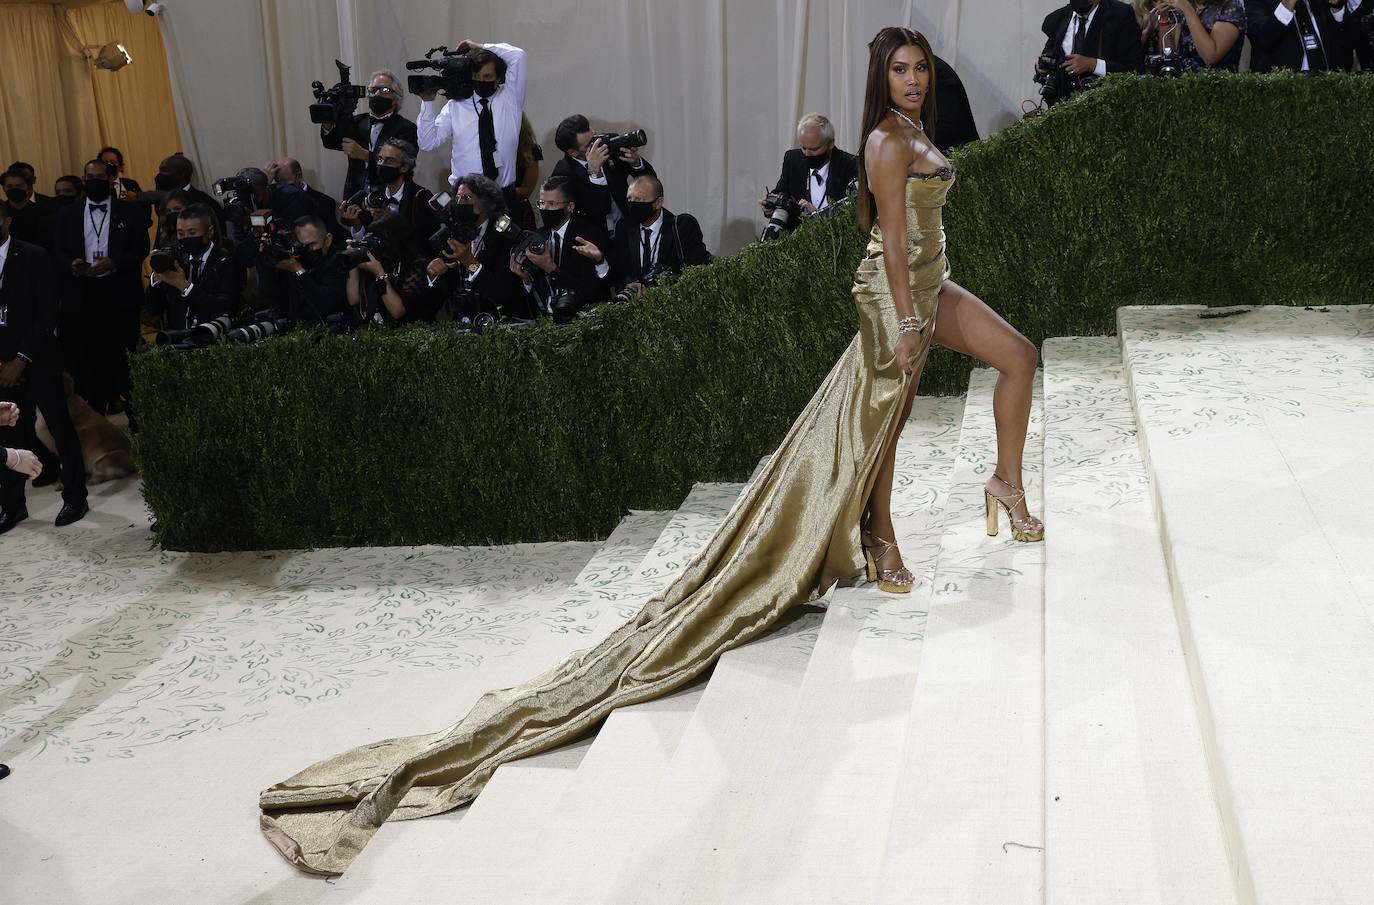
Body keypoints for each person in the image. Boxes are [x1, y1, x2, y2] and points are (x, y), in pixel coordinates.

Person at [258, 25, 1043, 877]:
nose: (915, 80)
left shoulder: (916, 131)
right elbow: (890, 237)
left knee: (1014, 358)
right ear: (879, 78)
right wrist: (910, 313)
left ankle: (1003, 480)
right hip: (901, 292)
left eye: (921, 68)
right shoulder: (888, 141)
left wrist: (924, 292)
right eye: (901, 69)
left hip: (930, 280)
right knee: (881, 417)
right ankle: (878, 534)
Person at [0, 207, 87, 532]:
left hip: (37, 359)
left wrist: (20, 359)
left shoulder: (34, 255)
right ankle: (12, 506)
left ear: (7, 220)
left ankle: (76, 497)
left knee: (60, 427)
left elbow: (48, 312)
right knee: (7, 435)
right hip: (1, 366)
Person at [52, 159, 151, 416]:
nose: (93, 180)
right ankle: (94, 411)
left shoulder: (131, 212)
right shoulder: (67, 213)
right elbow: (58, 251)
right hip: (83, 294)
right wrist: (71, 263)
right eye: (89, 176)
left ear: (110, 179)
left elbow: (140, 249)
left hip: (119, 292)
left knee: (124, 356)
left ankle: (135, 414)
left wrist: (114, 262)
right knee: (88, 357)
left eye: (99, 176)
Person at [417, 39, 528, 192]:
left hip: (502, 192)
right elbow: (427, 143)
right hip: (464, 194)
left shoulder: (511, 98)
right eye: (477, 77)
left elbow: (518, 56)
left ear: (498, 78)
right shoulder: (455, 105)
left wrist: (480, 47)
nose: (481, 81)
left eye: (487, 77)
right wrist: (428, 103)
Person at [425, 173, 533, 322]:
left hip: (499, 323)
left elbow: (503, 293)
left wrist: (470, 262)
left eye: (466, 198)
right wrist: (433, 275)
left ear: (485, 203)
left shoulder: (504, 237)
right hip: (461, 323)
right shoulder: (453, 234)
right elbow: (443, 292)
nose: (459, 203)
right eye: (457, 198)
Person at [520, 175, 612, 321]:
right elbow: (533, 293)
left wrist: (551, 268)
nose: (545, 209)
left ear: (570, 207)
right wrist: (526, 279)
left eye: (551, 204)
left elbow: (591, 291)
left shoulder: (588, 236)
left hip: (582, 320)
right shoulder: (538, 236)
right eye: (542, 203)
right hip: (545, 322)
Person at [321, 69, 419, 200]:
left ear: (396, 98)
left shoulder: (406, 127)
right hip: (356, 194)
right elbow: (332, 142)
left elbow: (404, 162)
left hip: (390, 195)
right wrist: (327, 122)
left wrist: (365, 155)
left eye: (384, 90)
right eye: (373, 90)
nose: (377, 94)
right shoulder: (357, 121)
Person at [147, 204, 245, 331]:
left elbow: (224, 306)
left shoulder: (226, 261)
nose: (186, 238)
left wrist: (185, 287)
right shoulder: (175, 260)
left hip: (214, 338)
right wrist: (156, 279)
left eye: (192, 233)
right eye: (181, 234)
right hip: (179, 338)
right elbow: (153, 310)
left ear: (209, 232)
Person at [611, 175, 712, 294]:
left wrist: (659, 289)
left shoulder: (682, 226)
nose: (632, 204)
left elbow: (698, 269)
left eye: (638, 199)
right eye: (629, 199)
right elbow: (619, 274)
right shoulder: (624, 228)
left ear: (658, 202)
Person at [551, 114, 655, 228]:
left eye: (595, 136)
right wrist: (595, 172)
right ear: (572, 152)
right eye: (590, 145)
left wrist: (636, 163)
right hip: (595, 237)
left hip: (628, 227)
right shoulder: (563, 174)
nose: (598, 145)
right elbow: (600, 207)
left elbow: (651, 181)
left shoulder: (609, 143)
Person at [338, 139, 437, 256]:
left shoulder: (421, 197)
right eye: (380, 159)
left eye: (389, 161)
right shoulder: (374, 194)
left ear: (404, 167)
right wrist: (357, 225)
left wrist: (390, 221)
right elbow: (367, 242)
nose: (381, 164)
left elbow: (424, 242)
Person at [1037, 0, 1145, 104]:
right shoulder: (1059, 18)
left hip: (1104, 105)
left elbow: (1134, 68)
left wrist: (1092, 65)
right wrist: (1041, 67)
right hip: (1061, 104)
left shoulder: (1120, 15)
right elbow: (1048, 54)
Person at [764, 113, 860, 225]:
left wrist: (818, 216)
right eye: (803, 148)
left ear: (831, 143)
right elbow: (782, 192)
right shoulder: (792, 159)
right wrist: (770, 207)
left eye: (814, 149)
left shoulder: (850, 164)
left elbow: (855, 212)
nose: (807, 154)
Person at [344, 210, 435, 325]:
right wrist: (353, 259)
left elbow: (398, 312)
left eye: (380, 239)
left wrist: (380, 274)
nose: (377, 243)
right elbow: (353, 300)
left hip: (408, 333)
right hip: (375, 332)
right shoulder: (377, 258)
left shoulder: (418, 263)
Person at [1245, 0, 1359, 71]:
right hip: (1279, 94)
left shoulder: (1320, 3)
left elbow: (1346, 47)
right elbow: (1262, 38)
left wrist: (1337, 9)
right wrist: (1288, 4)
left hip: (1328, 90)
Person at [277, 215, 347, 325]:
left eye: (312, 245)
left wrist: (299, 271)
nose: (307, 251)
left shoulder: (338, 262)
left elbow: (325, 306)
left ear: (327, 240)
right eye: (301, 246)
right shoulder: (298, 260)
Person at [270, 157, 346, 247]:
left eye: (284, 182)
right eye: (277, 183)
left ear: (299, 176)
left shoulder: (324, 203)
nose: (282, 188)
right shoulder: (273, 198)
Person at [1155, 0, 1248, 70]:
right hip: (1182, 88)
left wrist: (1188, 11)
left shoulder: (1231, 7)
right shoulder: (1184, 6)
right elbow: (1168, 54)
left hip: (1217, 87)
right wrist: (1164, 19)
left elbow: (1211, 56)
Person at [3, 167, 56, 251]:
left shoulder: (45, 213)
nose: (14, 189)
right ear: (4, 188)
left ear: (28, 188)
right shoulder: (2, 214)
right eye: (9, 186)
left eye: (19, 186)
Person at [152, 153, 222, 214]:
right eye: (161, 171)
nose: (159, 176)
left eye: (165, 171)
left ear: (182, 174)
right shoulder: (162, 198)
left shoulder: (205, 203)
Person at [510, 114, 543, 230]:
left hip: (516, 208)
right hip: (488, 207)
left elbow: (527, 190)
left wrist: (499, 191)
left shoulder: (530, 149)